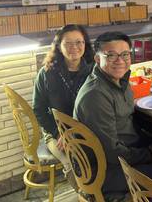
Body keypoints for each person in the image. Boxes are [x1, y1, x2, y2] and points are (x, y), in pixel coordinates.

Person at [74, 32, 152, 200]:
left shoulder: (121, 80)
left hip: (122, 152)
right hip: (103, 171)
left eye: (125, 54)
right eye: (111, 55)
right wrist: (150, 154)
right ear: (97, 59)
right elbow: (112, 153)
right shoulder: (96, 95)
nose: (120, 60)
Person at [32, 24, 94, 190]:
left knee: (104, 156)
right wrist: (57, 133)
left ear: (85, 44)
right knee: (75, 163)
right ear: (59, 47)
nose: (74, 47)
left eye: (79, 42)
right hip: (57, 133)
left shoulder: (93, 71)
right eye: (68, 43)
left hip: (87, 130)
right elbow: (38, 109)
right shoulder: (47, 74)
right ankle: (86, 195)